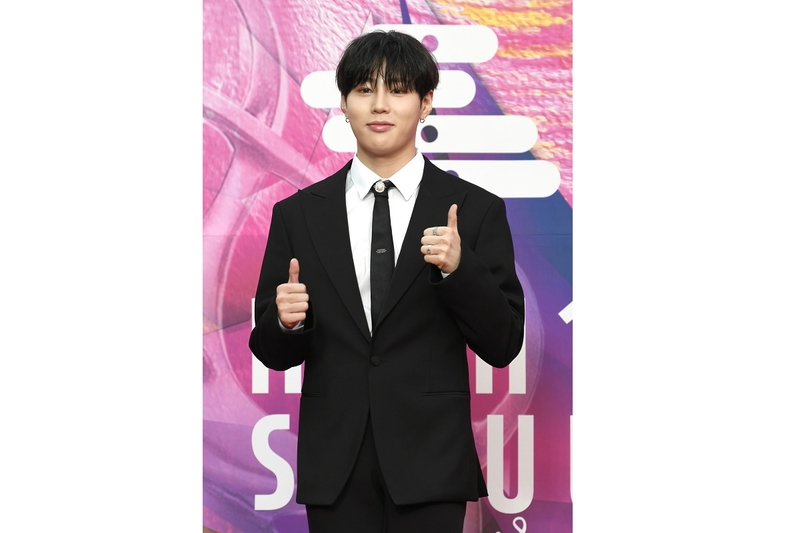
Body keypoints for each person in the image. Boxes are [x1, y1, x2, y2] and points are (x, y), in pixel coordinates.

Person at [249, 29, 525, 533]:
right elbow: (271, 351)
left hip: (431, 464)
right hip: (335, 466)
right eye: (364, 90)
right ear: (344, 104)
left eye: (397, 90)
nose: (380, 105)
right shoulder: (298, 215)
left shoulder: (475, 210)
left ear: (426, 103)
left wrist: (459, 270)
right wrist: (285, 323)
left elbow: (503, 343)